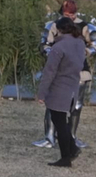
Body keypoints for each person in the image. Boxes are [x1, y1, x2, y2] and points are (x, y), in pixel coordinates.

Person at [31, 0, 96, 149]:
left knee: (76, 106)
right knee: (53, 103)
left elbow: (94, 45)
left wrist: (81, 53)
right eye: (67, 14)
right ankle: (49, 137)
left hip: (80, 71)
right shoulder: (54, 25)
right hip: (59, 69)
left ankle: (72, 137)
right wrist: (56, 54)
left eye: (72, 14)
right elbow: (44, 44)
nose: (70, 17)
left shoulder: (85, 26)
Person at [35, 16, 86, 168]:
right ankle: (72, 149)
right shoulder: (80, 43)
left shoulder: (59, 48)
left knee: (59, 123)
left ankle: (66, 157)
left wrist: (42, 94)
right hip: (73, 88)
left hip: (59, 89)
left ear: (59, 29)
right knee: (63, 122)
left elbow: (49, 72)